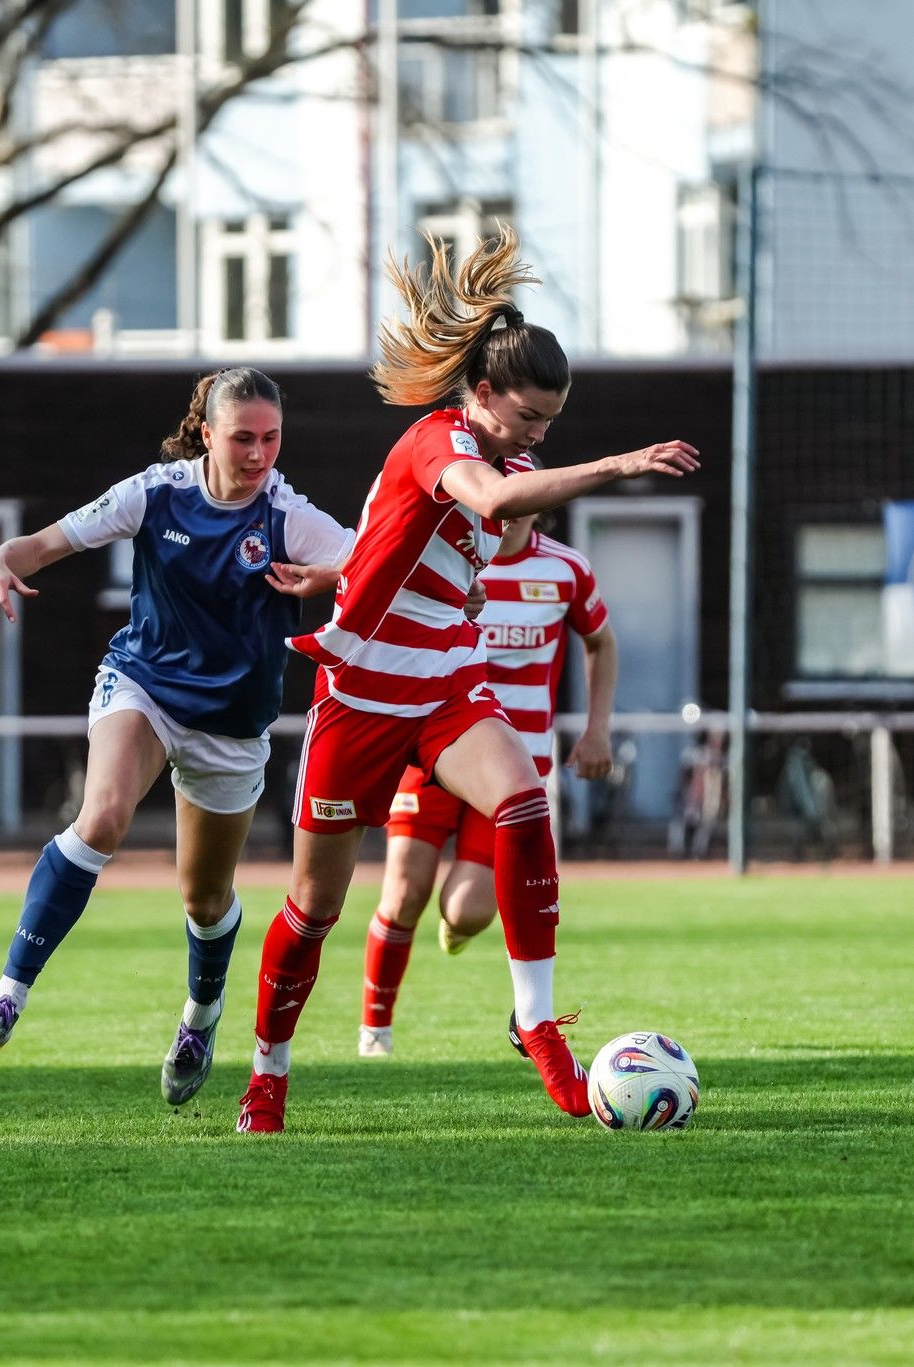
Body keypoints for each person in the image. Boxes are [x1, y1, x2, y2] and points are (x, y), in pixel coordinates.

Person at [236, 227, 698, 1132]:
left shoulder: (509, 455)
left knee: (525, 801)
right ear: (482, 394)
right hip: (362, 696)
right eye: (527, 417)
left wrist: (350, 572)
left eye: (550, 425)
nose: (537, 436)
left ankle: (537, 1024)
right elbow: (482, 504)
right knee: (315, 907)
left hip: (448, 682)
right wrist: (617, 464)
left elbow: (445, 533)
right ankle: (267, 1073)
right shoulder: (435, 438)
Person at [0, 367, 354, 1108]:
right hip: (145, 685)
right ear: (207, 432)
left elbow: (375, 564)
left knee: (204, 898)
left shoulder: (288, 516)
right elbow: (43, 544)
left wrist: (445, 585)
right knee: (101, 817)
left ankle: (200, 1014)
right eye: (243, 437)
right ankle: (7, 996)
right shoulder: (155, 491)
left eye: (271, 437)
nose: (260, 453)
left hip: (231, 724)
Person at [357, 511, 617, 1058]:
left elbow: (601, 643)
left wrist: (596, 730)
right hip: (432, 747)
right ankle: (375, 1032)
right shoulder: (445, 558)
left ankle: (457, 923)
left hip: (509, 771)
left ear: (537, 503)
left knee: (471, 910)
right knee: (404, 891)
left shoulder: (566, 569)